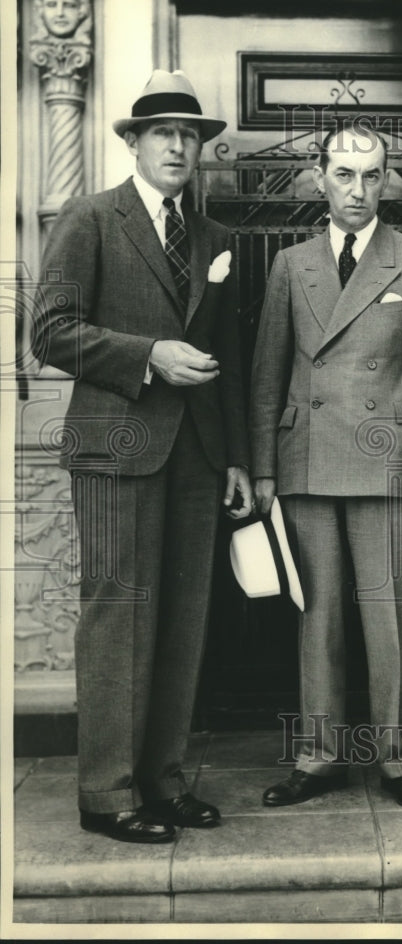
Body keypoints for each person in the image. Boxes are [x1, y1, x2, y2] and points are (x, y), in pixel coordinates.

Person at [32, 69, 252, 843]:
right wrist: (148, 352)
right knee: (118, 620)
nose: (179, 146)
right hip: (114, 449)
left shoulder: (217, 240)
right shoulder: (92, 219)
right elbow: (50, 332)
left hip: (195, 456)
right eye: (163, 132)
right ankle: (107, 794)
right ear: (133, 141)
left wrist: (233, 459)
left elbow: (228, 357)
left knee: (183, 622)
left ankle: (160, 782)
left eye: (190, 135)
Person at [250, 122, 402, 812]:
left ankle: (398, 759)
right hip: (307, 460)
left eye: (371, 175)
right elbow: (266, 376)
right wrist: (261, 471)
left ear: (387, 181)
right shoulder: (290, 264)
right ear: (318, 177)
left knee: (395, 616)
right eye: (343, 174)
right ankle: (318, 756)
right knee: (319, 617)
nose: (357, 189)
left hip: (392, 461)